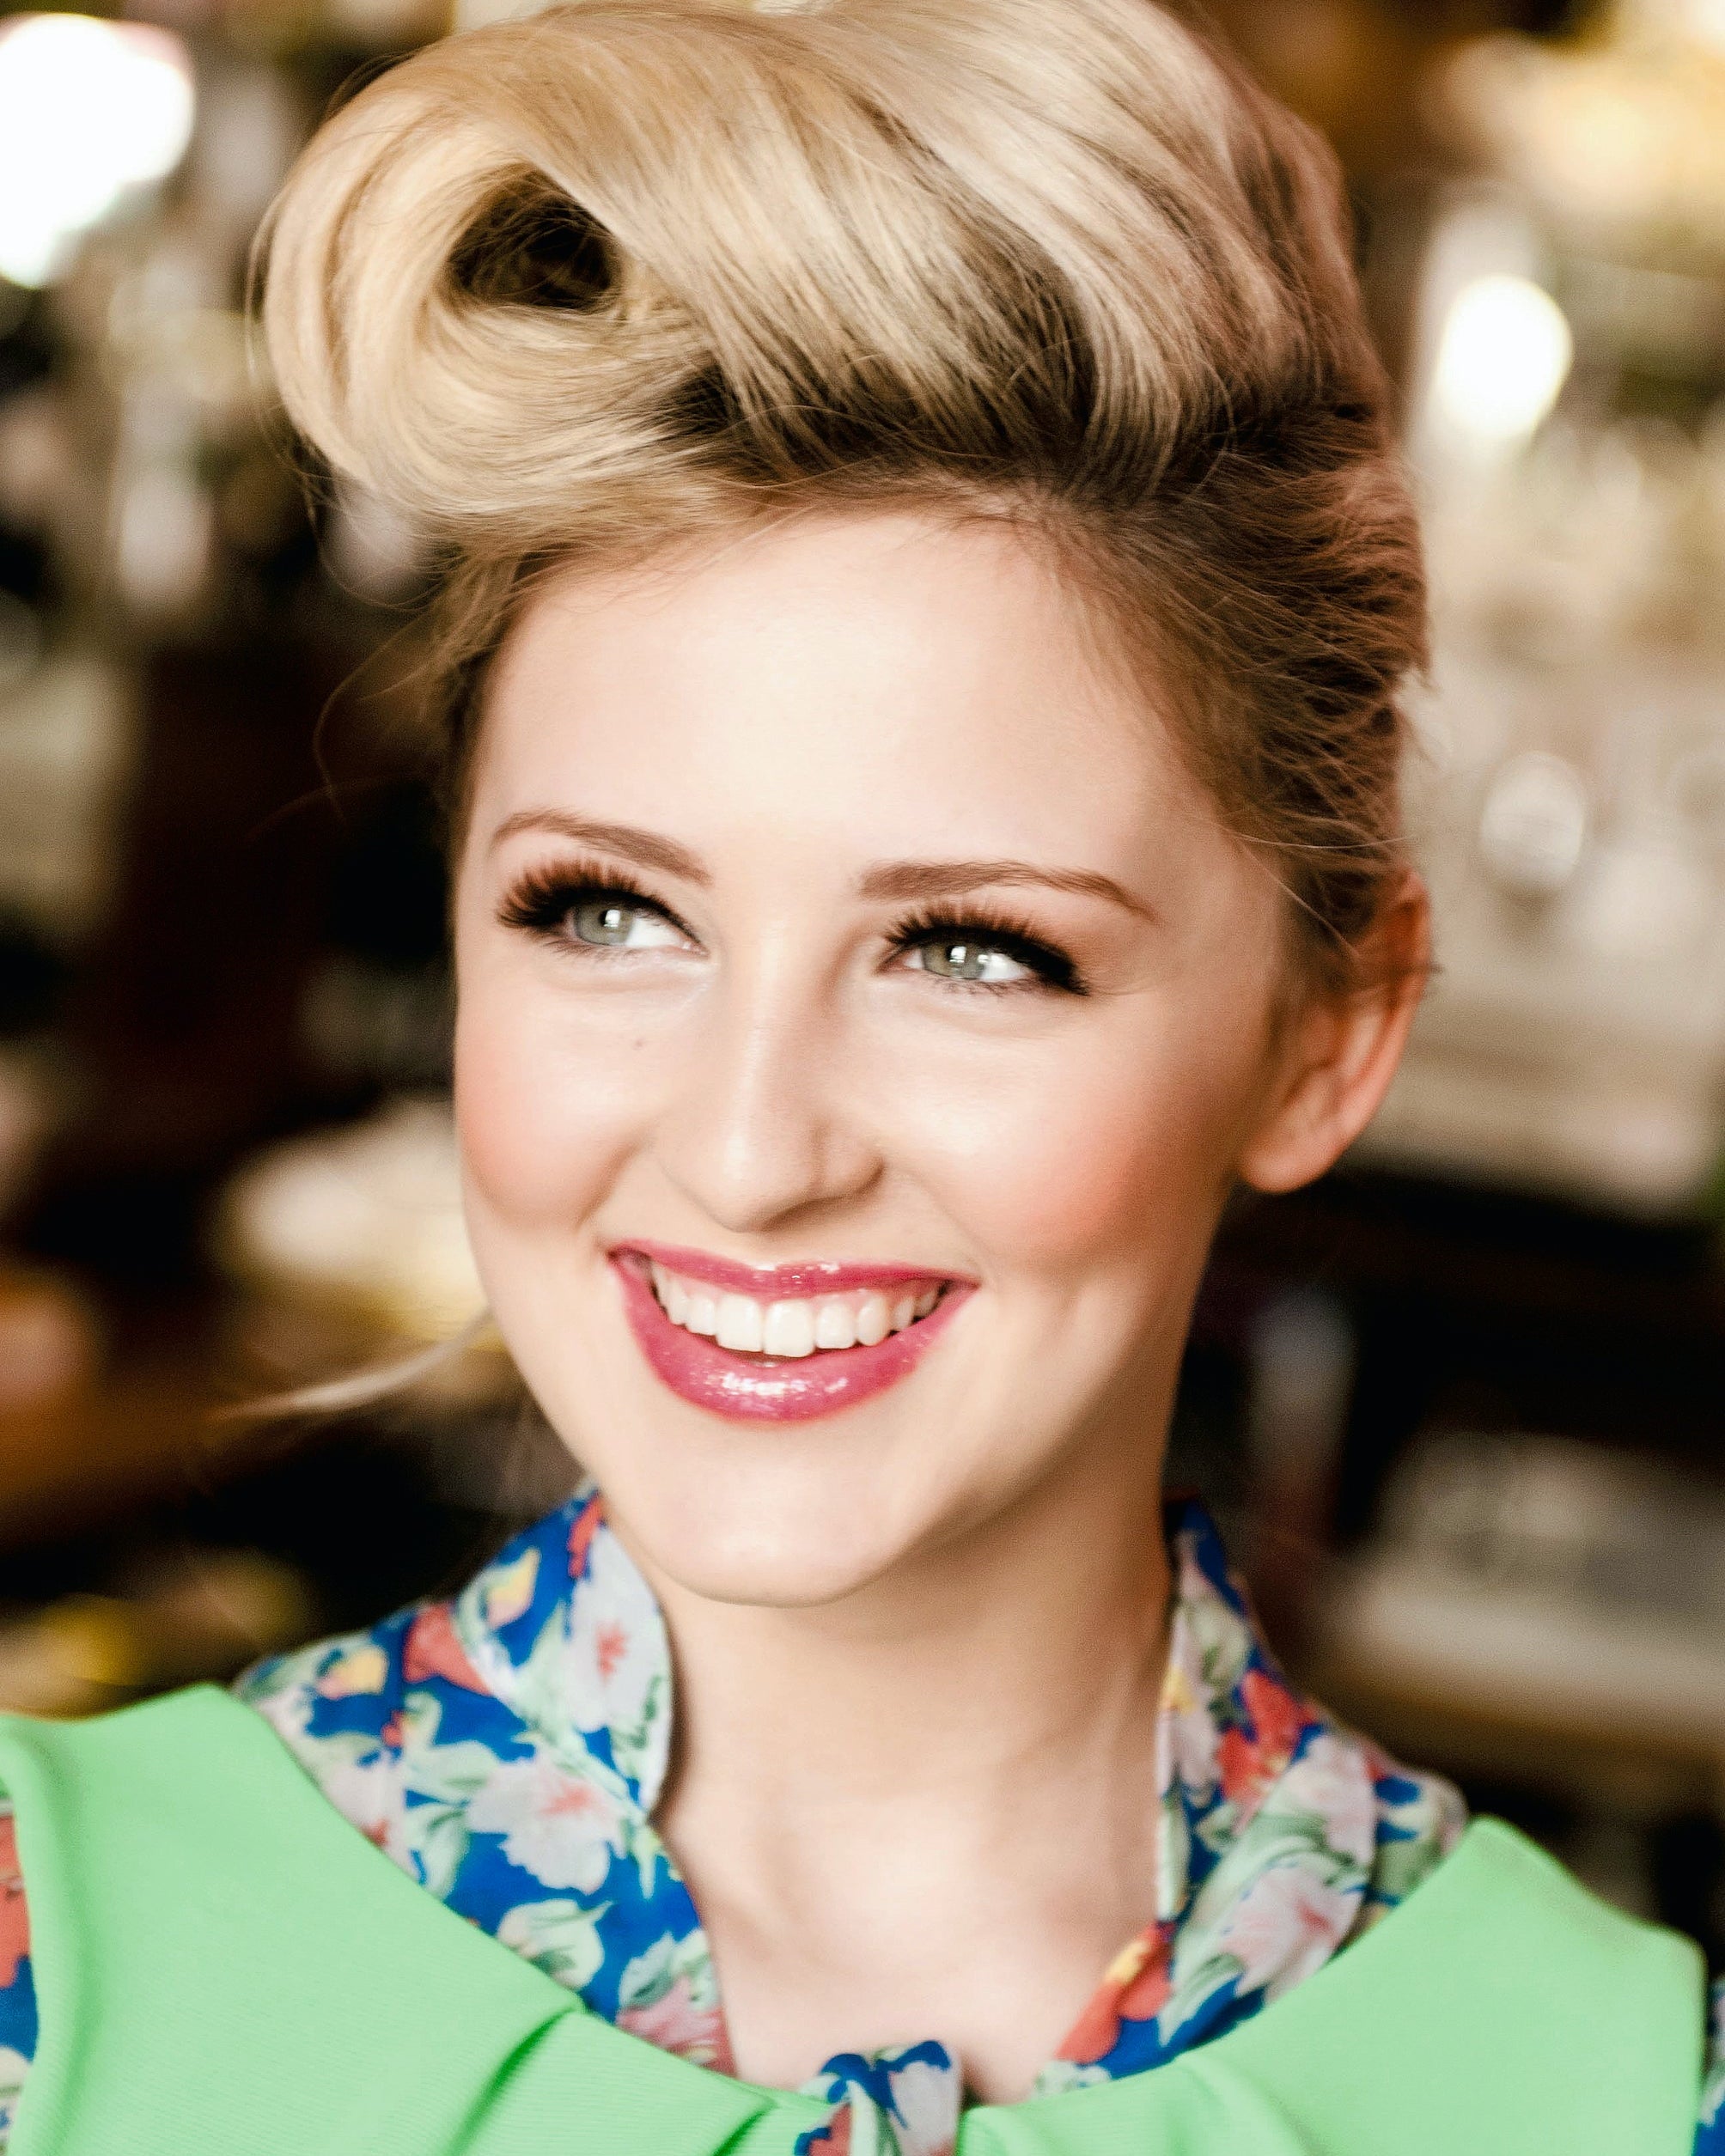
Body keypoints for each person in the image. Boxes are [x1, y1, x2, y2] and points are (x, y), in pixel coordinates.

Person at [0, 1, 1714, 2148]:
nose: (745, 1147)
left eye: (970, 950)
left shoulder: (1631, 2096)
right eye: (607, 912)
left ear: (1323, 1034)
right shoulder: (44, 1967)